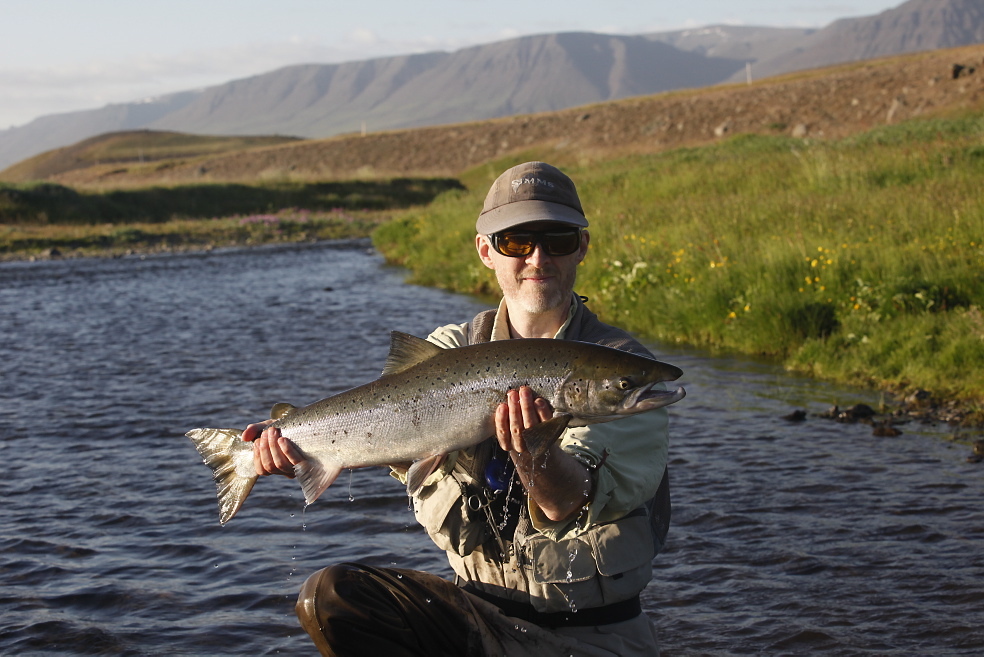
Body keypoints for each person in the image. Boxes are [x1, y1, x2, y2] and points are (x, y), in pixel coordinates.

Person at [244, 161, 672, 656]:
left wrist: (534, 452)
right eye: (516, 242)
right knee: (331, 597)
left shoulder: (627, 370)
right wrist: (298, 443)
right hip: (477, 617)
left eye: (556, 240)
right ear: (486, 251)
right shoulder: (448, 350)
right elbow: (390, 434)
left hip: (594, 637)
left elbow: (564, 505)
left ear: (582, 247)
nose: (538, 258)